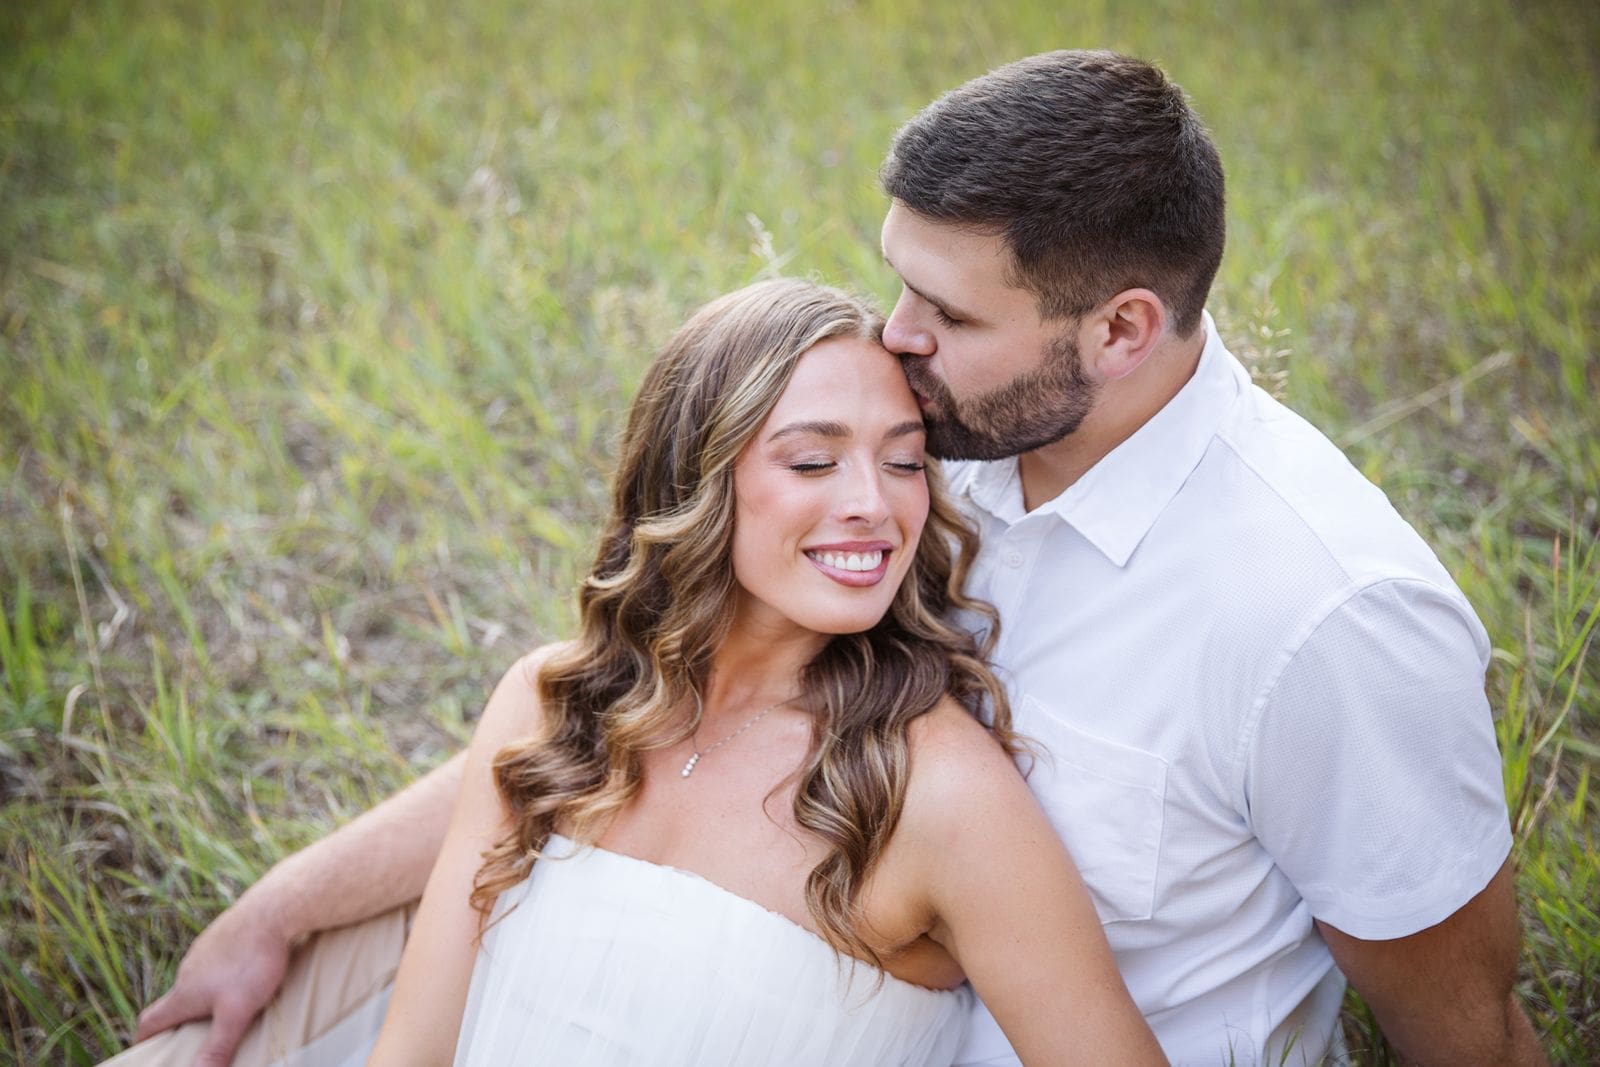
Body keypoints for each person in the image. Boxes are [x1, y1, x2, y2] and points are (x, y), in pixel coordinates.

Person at [119, 51, 1543, 1067]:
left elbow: (1468, 1028)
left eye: (942, 310)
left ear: (1117, 331)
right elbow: (612, 714)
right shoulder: (946, 419)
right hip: (670, 916)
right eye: (896, 280)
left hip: (893, 1006)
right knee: (235, 1016)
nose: (895, 341)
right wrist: (278, 906)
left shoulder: (1322, 615)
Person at [358, 277, 1162, 1065]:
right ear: (695, 477)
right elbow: (414, 1048)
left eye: (904, 462)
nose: (873, 506)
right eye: (814, 462)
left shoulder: (936, 795)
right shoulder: (553, 704)